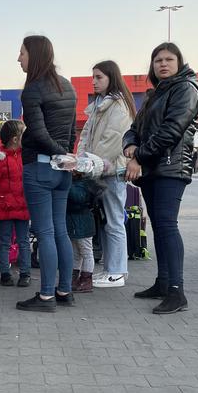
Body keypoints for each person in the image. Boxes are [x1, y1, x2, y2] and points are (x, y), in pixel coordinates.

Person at [123, 42, 198, 315]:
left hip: (170, 168)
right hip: (153, 170)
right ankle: (164, 282)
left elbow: (171, 131)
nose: (163, 64)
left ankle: (177, 293)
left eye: (169, 59)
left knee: (167, 226)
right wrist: (129, 145)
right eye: (158, 60)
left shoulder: (185, 90)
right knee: (159, 226)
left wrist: (139, 157)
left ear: (179, 63)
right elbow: (135, 127)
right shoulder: (156, 93)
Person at [15, 35, 77, 312]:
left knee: (45, 233)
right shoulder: (67, 86)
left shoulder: (33, 90)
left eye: (22, 53)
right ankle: (65, 291)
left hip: (40, 167)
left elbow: (38, 132)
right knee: (60, 231)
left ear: (35, 55)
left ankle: (46, 296)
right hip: (62, 170)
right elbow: (71, 130)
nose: (19, 59)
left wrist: (57, 153)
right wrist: (65, 154)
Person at [77, 60, 136, 288]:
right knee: (108, 222)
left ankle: (118, 271)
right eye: (93, 77)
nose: (94, 81)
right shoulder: (101, 104)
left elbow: (111, 142)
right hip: (100, 169)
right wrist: (83, 160)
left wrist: (87, 164)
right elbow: (86, 136)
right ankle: (112, 269)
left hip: (110, 170)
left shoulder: (118, 106)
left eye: (99, 77)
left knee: (114, 221)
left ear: (111, 77)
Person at [0, 119, 32, 287]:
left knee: (6, 240)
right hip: (20, 205)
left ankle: (6, 273)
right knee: (22, 240)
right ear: (15, 138)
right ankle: (24, 273)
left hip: (4, 205)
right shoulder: (23, 157)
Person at [67, 175, 100, 293]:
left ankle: (86, 280)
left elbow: (78, 197)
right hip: (75, 223)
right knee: (76, 252)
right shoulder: (80, 182)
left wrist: (67, 184)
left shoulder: (85, 183)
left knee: (86, 252)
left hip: (82, 223)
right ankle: (74, 279)